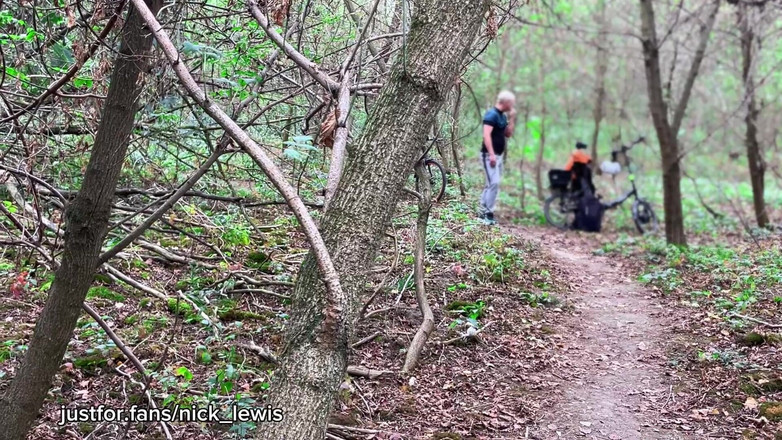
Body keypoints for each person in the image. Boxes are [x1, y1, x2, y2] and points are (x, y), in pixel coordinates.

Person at [479, 90, 516, 225]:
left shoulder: (502, 116)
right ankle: (488, 213)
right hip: (489, 155)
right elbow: (486, 135)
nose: (512, 105)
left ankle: (483, 211)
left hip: (498, 156)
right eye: (511, 103)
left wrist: (511, 119)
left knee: (492, 183)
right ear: (505, 102)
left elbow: (508, 134)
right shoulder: (491, 115)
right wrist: (492, 154)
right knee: (493, 183)